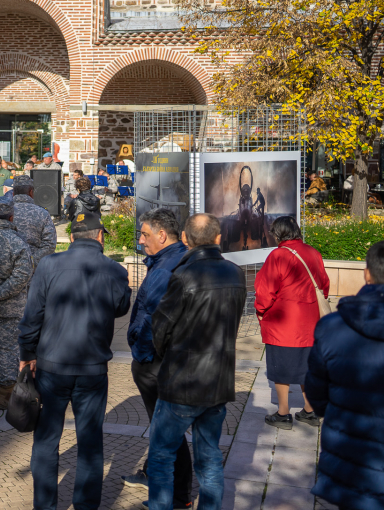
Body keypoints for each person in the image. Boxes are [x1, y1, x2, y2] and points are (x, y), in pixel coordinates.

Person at [19, 211, 131, 510]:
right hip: (92, 368)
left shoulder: (48, 264)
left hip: (52, 366)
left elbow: (32, 316)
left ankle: (44, 505)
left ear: (71, 237)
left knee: (46, 440)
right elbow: (121, 308)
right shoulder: (115, 270)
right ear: (100, 236)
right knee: (90, 443)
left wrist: (26, 354)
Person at [147, 214, 246, 510]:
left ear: (186, 240)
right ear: (218, 239)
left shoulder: (183, 275)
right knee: (210, 457)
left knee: (162, 456)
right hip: (217, 379)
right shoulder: (235, 273)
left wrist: (168, 355)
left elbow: (160, 327)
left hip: (182, 382)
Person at [306, 240, 384, 510]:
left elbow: (316, 391)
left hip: (350, 456)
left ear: (367, 273)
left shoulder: (332, 327)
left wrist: (340, 410)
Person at [121, 209, 192, 505]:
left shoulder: (165, 269)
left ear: (162, 235)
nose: (140, 240)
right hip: (170, 359)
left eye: (145, 234)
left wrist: (140, 349)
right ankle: (159, 476)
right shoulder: (178, 258)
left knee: (167, 432)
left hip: (157, 362)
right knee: (165, 429)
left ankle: (177, 495)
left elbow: (153, 319)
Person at [254, 216, 329, 429]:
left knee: (281, 367)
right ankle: (310, 410)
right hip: (311, 321)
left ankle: (283, 413)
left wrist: (260, 311)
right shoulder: (313, 252)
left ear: (278, 234)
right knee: (308, 365)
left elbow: (265, 290)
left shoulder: (277, 255)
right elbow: (324, 284)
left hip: (283, 323)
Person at [0, 195, 32, 410]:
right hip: (10, 308)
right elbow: (23, 275)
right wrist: (0, 293)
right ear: (11, 216)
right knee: (9, 350)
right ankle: (6, 398)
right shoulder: (18, 241)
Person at [10, 176, 57, 266]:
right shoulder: (42, 213)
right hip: (34, 271)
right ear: (31, 192)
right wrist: (31, 262)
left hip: (8, 269)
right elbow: (49, 244)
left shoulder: (3, 212)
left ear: (13, 193)